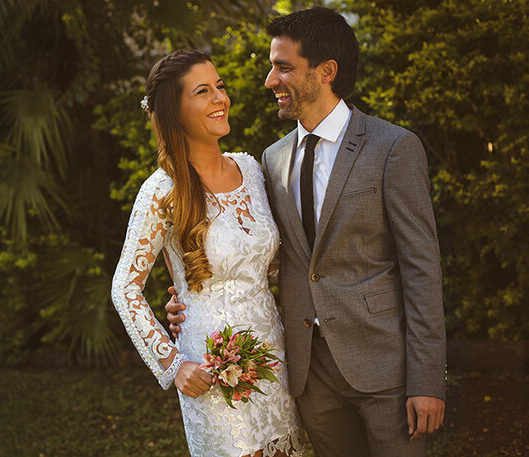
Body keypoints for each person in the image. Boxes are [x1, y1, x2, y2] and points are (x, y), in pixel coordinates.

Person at [167, 7, 446, 457]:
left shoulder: (393, 148)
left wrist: (428, 379)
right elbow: (259, 254)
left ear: (326, 72)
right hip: (309, 375)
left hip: (386, 371)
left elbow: (422, 270)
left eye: (283, 67)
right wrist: (190, 292)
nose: (269, 80)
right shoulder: (270, 160)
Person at [111, 50, 304, 457]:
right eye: (203, 91)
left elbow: (268, 267)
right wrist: (173, 363)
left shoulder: (252, 170)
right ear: (173, 111)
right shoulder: (161, 191)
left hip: (275, 354)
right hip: (212, 371)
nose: (220, 98)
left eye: (220, 86)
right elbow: (125, 287)